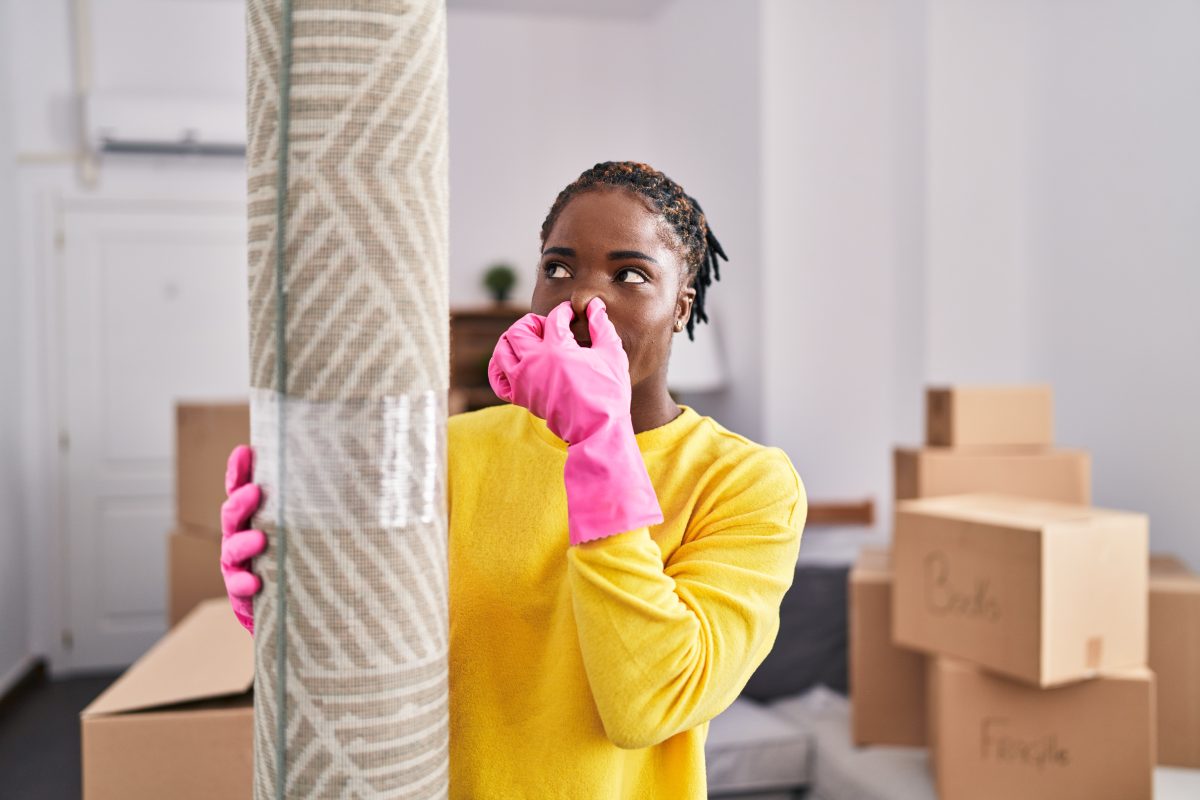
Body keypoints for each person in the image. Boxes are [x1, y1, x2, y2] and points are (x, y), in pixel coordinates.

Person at [219, 161, 807, 798]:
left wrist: (599, 441)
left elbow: (651, 703)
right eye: (558, 268)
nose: (582, 299)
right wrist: (292, 609)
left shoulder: (747, 484)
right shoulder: (450, 451)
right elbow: (373, 657)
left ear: (680, 308)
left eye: (629, 275)